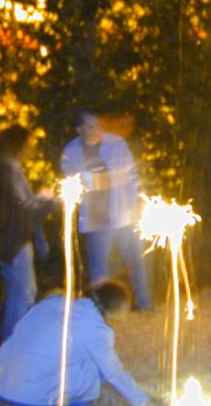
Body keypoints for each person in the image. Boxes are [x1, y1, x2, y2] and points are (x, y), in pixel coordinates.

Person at [0, 280, 151, 406]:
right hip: (29, 386)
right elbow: (114, 373)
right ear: (116, 311)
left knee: (50, 360)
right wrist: (142, 400)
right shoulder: (97, 331)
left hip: (4, 377)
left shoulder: (57, 300)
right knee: (91, 372)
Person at [61, 110, 151, 309]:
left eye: (98, 126)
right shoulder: (71, 152)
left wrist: (135, 200)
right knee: (99, 269)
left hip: (124, 215)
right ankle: (100, 309)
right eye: (90, 127)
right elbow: (75, 183)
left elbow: (130, 176)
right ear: (79, 129)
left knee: (135, 261)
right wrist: (107, 179)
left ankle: (144, 303)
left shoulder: (116, 144)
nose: (96, 130)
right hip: (95, 219)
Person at [0, 125, 58, 340]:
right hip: (13, 241)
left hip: (5, 239)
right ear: (18, 145)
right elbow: (22, 209)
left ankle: (14, 345)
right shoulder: (7, 171)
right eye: (28, 144)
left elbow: (16, 204)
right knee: (22, 296)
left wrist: (37, 198)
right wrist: (51, 202)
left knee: (21, 293)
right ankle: (14, 346)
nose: (31, 149)